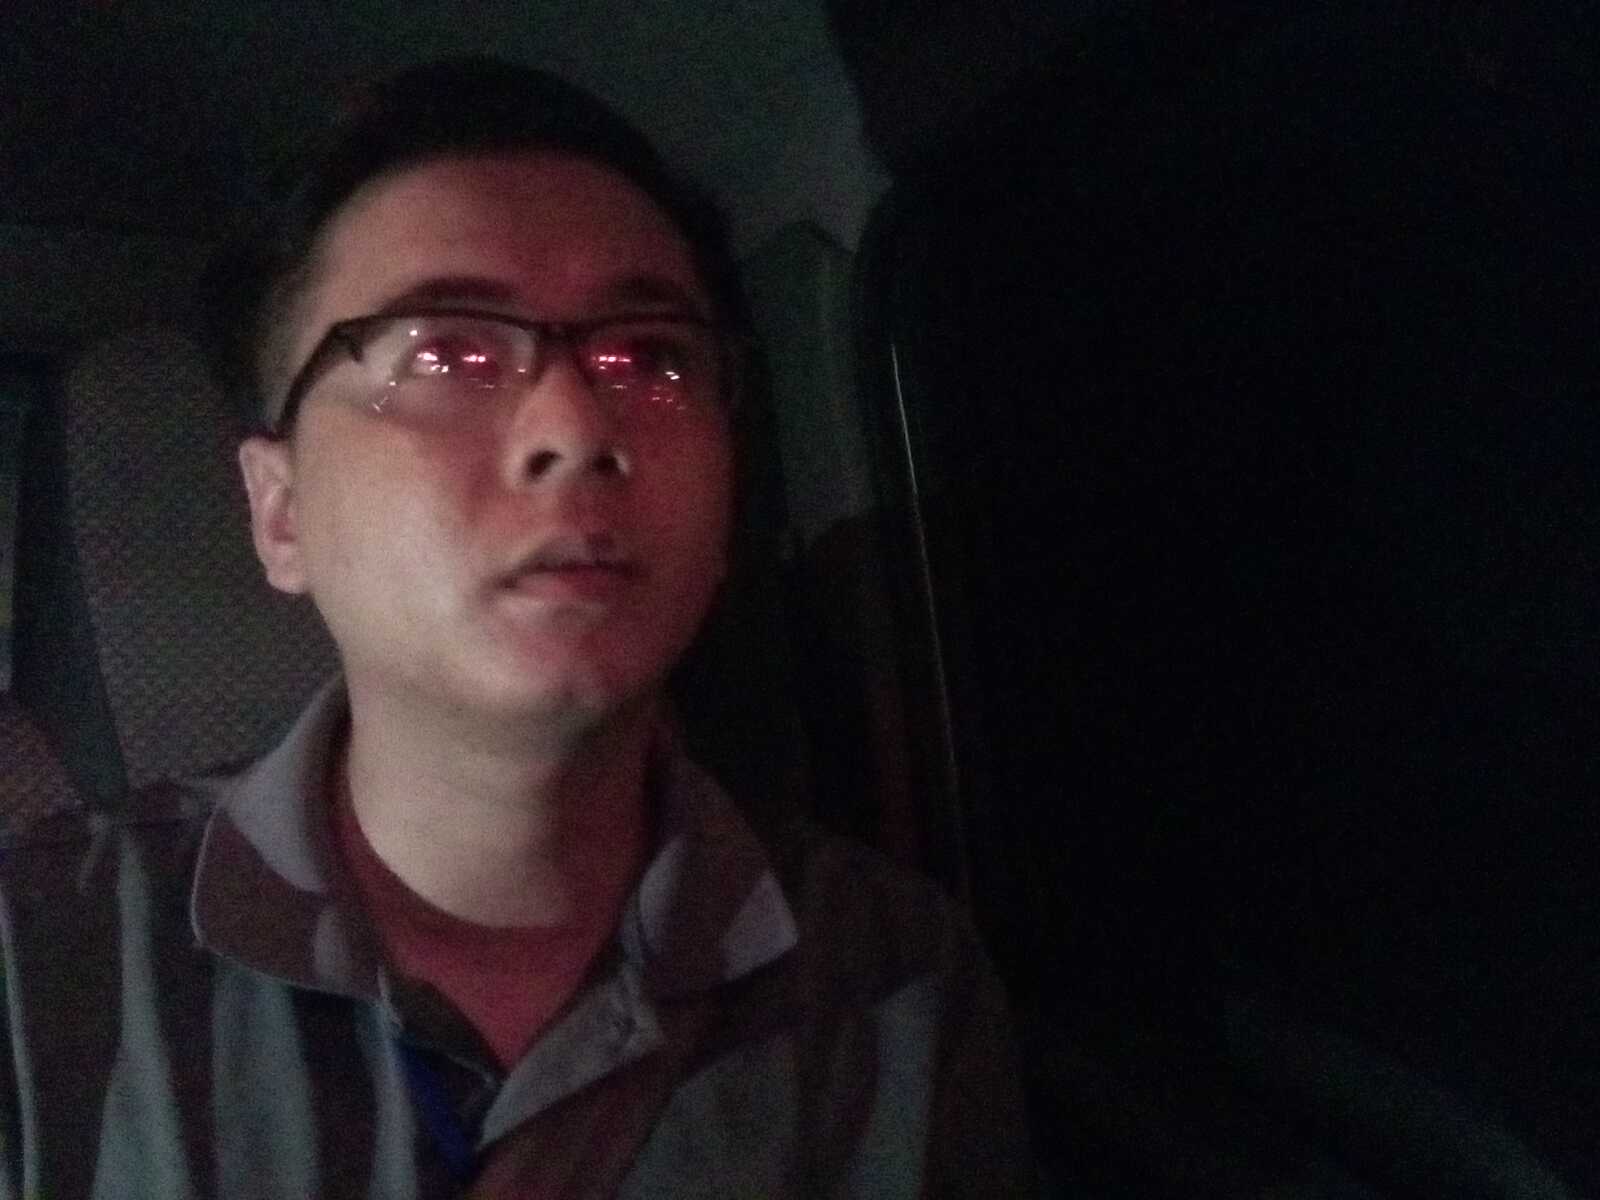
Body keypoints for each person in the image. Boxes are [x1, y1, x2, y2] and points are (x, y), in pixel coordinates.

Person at [0, 57, 1034, 1198]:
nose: (576, 428)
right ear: (280, 510)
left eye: (650, 357)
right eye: (449, 354)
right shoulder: (38, 967)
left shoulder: (894, 982)